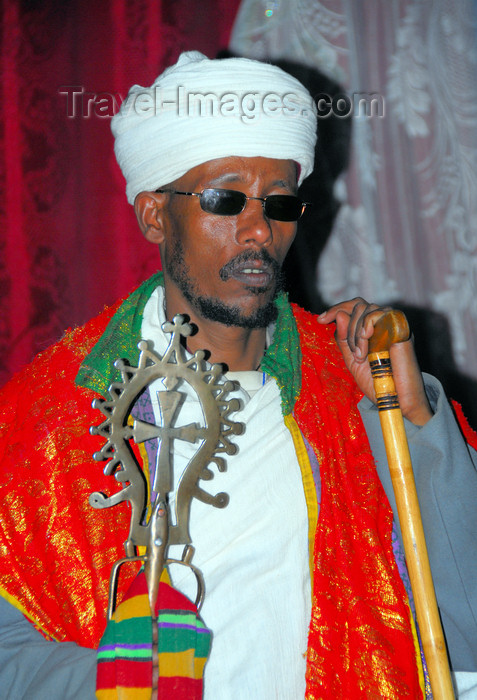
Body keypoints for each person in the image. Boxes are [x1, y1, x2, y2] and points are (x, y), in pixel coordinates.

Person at [0, 51, 476, 700]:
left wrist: (415, 419)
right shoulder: (47, 414)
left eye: (279, 203)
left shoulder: (351, 386)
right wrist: (112, 682)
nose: (257, 230)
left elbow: (460, 620)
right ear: (153, 215)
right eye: (226, 199)